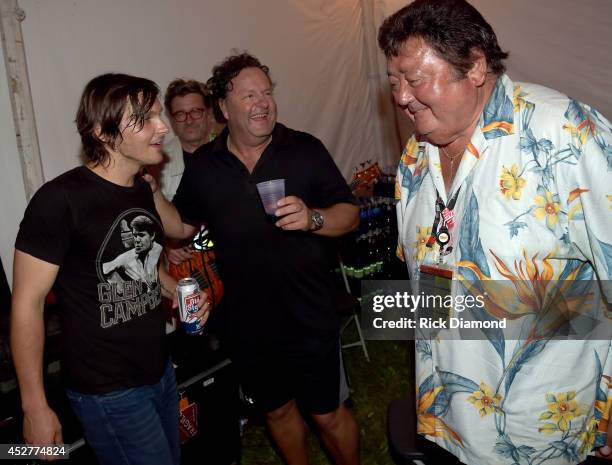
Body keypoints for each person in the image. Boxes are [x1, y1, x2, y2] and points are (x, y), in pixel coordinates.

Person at [378, 1, 612, 464]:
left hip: (543, 431)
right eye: (393, 83)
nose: (402, 97)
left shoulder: (563, 133)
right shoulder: (413, 158)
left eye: (415, 79)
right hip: (449, 419)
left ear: (476, 66)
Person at [148, 53, 361, 465]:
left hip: (308, 312)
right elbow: (181, 226)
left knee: (327, 412)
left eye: (266, 92)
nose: (263, 102)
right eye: (249, 95)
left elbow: (349, 214)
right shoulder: (206, 166)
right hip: (246, 321)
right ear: (224, 109)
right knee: (277, 409)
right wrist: (152, 190)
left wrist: (313, 217)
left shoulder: (303, 149)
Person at [10, 73, 209, 465]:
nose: (163, 127)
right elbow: (26, 304)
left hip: (159, 371)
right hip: (109, 392)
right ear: (103, 132)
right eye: (145, 118)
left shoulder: (139, 189)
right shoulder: (60, 200)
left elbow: (147, 267)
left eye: (157, 114)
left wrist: (182, 289)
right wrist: (34, 406)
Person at [103, 215, 163, 291]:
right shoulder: (128, 257)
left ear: (152, 236)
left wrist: (145, 281)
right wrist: (119, 284)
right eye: (135, 235)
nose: (137, 240)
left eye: (141, 235)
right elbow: (103, 268)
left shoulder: (157, 248)